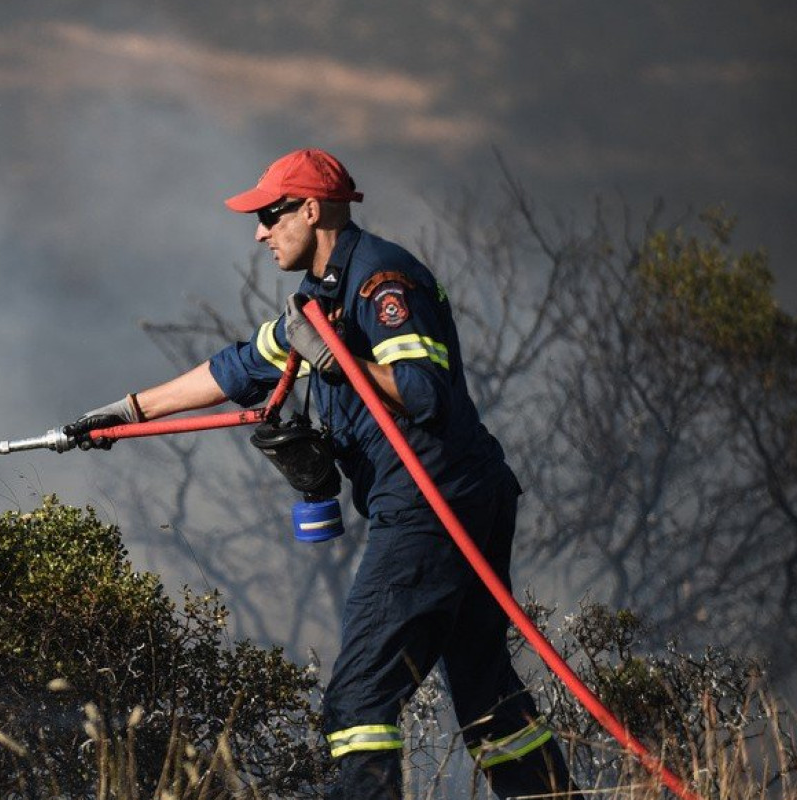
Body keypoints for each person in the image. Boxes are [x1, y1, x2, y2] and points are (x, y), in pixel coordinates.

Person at [64, 149, 579, 800]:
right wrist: (123, 414)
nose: (259, 232)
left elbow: (426, 394)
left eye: (270, 215)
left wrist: (340, 365)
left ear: (312, 209)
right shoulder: (317, 300)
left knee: (359, 698)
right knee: (486, 693)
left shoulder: (381, 281)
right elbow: (236, 369)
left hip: (431, 503)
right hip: (454, 496)